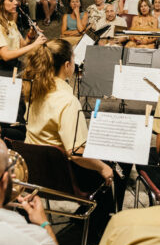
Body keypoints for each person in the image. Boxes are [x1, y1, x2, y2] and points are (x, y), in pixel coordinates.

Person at [23, 38, 113, 185]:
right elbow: (75, 153)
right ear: (67, 65)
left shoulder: (33, 90)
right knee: (117, 167)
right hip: (61, 174)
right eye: (73, 59)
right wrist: (103, 168)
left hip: (35, 168)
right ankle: (103, 208)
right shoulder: (68, 101)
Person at [0, 0, 45, 76]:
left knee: (40, 70)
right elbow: (5, 55)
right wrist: (34, 45)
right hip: (0, 68)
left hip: (13, 64)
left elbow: (22, 45)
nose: (16, 2)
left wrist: (31, 35)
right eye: (11, 0)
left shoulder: (10, 21)